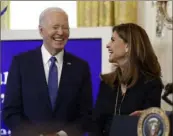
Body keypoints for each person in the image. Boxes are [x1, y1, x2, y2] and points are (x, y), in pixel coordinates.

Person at [2, 7, 93, 136]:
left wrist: (61, 135)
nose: (61, 32)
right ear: (41, 31)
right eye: (55, 27)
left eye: (65, 27)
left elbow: (86, 115)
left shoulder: (80, 67)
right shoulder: (21, 63)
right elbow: (10, 113)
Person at [90, 23, 164, 136]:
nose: (108, 45)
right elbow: (96, 126)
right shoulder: (107, 82)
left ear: (128, 46)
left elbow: (152, 128)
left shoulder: (151, 84)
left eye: (113, 40)